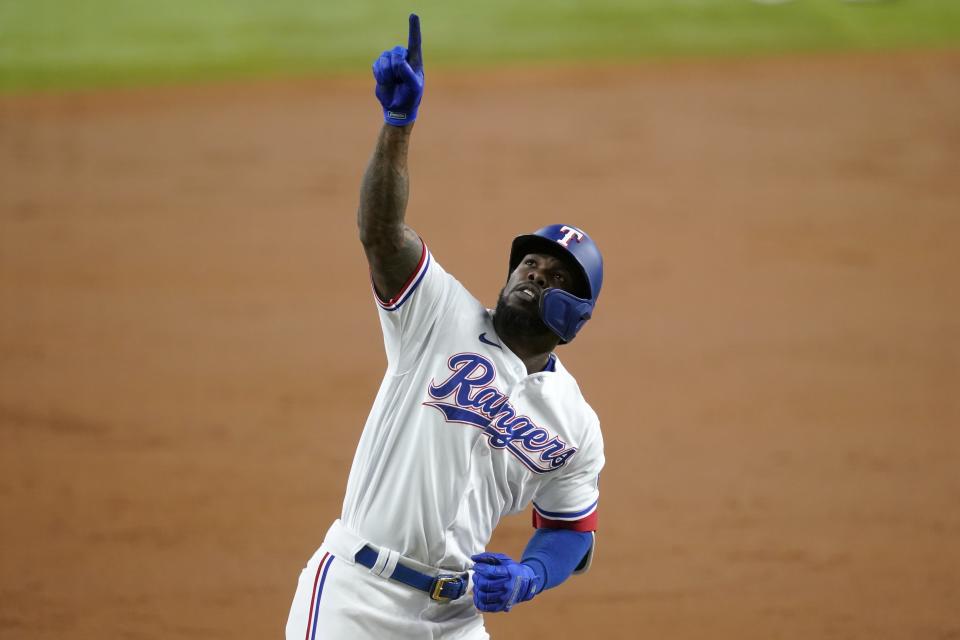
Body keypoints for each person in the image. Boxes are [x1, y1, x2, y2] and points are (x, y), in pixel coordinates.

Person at [285, 14, 605, 639]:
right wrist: (397, 127)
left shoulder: (575, 424)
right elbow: (381, 234)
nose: (534, 273)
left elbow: (570, 532)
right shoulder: (439, 314)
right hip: (359, 598)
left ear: (576, 315)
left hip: (457, 621)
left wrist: (527, 578)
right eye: (530, 262)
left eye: (555, 276)